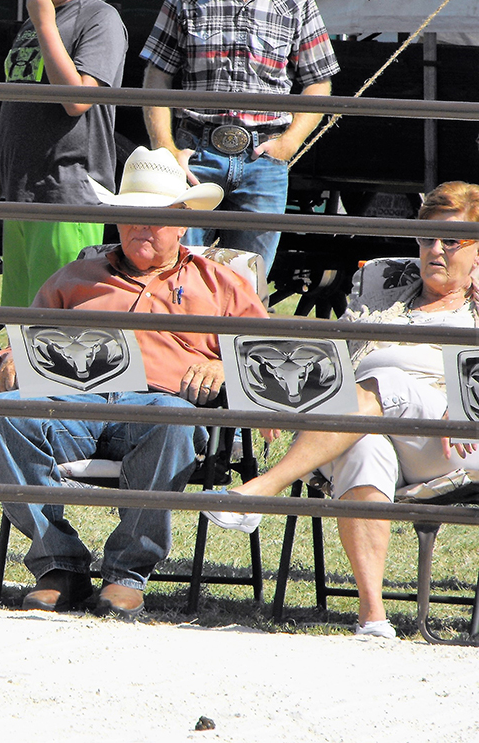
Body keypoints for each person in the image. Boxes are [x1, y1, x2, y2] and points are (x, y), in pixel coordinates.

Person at [0, 147, 267, 619]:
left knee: (171, 418)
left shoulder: (220, 284)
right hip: (76, 405)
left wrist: (223, 367)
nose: (140, 228)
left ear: (182, 221)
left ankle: (127, 572)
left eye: (153, 218)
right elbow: (25, 337)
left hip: (160, 408)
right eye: (130, 216)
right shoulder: (78, 276)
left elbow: (267, 361)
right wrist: (10, 358)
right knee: (2, 412)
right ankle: (59, 563)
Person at [204, 181, 479, 638]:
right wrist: (282, 401)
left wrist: (467, 402)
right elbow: (334, 360)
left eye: (453, 241)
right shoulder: (382, 286)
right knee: (363, 448)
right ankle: (373, 619)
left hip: (458, 439)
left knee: (384, 380)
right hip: (371, 423)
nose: (436, 250)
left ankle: (260, 490)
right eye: (428, 237)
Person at [139, 0, 340, 272]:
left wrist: (288, 144)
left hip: (264, 160)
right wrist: (164, 147)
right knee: (178, 275)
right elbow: (156, 75)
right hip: (194, 155)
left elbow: (319, 82)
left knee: (250, 285)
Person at [0, 0, 128, 308]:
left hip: (67, 196)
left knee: (59, 326)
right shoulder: (35, 22)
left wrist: (44, 24)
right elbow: (14, 118)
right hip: (22, 195)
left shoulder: (100, 18)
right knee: (21, 324)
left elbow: (77, 100)